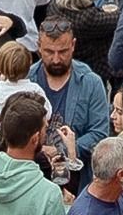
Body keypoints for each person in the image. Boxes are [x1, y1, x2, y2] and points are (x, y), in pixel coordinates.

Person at [27, 17, 110, 173]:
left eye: (63, 51)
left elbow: (99, 133)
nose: (56, 59)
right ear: (39, 47)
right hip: (31, 172)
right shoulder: (24, 80)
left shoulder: (91, 83)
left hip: (75, 176)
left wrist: (61, 150)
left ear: (73, 45)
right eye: (49, 52)